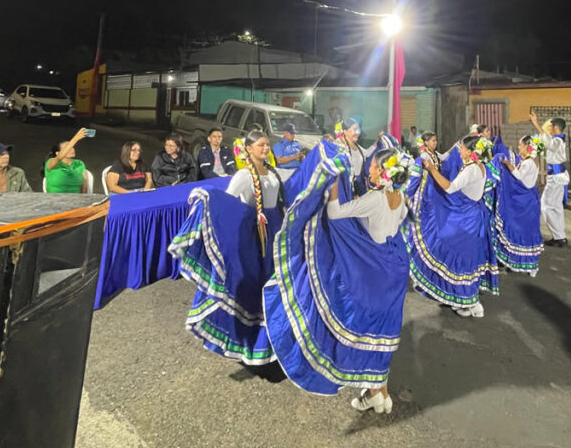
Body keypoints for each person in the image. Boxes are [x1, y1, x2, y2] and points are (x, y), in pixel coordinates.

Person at [263, 146, 413, 414]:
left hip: (374, 271)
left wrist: (332, 186)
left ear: (382, 170)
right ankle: (380, 393)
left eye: (372, 166)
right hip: (394, 268)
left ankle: (374, 392)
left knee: (364, 327)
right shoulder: (399, 196)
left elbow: (335, 213)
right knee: (383, 331)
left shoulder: (376, 197)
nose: (369, 169)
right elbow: (399, 221)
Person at [168, 130, 287, 365]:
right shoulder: (244, 175)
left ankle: (272, 338)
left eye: (267, 144)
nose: (266, 148)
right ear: (249, 149)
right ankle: (250, 339)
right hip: (255, 236)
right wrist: (208, 197)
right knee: (254, 282)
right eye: (261, 145)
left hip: (274, 231)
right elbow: (229, 202)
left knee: (273, 280)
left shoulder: (272, 171)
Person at [412, 134, 498, 318]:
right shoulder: (479, 166)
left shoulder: (471, 170)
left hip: (467, 218)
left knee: (460, 257)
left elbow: (450, 188)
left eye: (462, 148)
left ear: (470, 151)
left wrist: (432, 170)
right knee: (464, 257)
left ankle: (468, 302)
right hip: (471, 214)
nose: (460, 151)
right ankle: (463, 297)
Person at [494, 134, 545, 275]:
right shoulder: (530, 161)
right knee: (526, 232)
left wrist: (507, 164)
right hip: (529, 200)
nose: (518, 147)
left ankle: (523, 264)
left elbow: (518, 176)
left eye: (520, 145)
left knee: (521, 231)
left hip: (524, 203)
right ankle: (522, 264)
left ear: (527, 147)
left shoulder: (528, 163)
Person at [531, 112, 569, 248]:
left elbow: (549, 143)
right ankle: (560, 237)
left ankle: (558, 237)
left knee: (546, 206)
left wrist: (536, 124)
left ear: (555, 128)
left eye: (550, 127)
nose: (549, 129)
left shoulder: (558, 141)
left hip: (556, 178)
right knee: (556, 207)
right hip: (558, 176)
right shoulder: (558, 140)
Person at [43, 128, 90, 193]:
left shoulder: (79, 164)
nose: (72, 149)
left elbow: (84, 187)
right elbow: (59, 158)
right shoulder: (51, 163)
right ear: (57, 153)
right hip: (55, 198)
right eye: (68, 148)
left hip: (75, 198)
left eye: (72, 147)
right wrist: (76, 138)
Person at [335, 117, 368, 195]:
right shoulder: (338, 147)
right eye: (355, 129)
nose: (358, 132)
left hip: (359, 186)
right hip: (345, 188)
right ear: (345, 132)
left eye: (359, 130)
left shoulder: (358, 147)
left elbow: (368, 154)